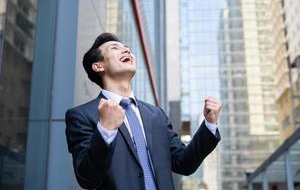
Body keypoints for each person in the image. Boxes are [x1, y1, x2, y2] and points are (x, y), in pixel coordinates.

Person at [65, 32, 221, 190]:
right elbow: (87, 178)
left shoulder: (156, 115)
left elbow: (184, 163)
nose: (126, 51)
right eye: (114, 48)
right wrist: (105, 130)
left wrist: (209, 125)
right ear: (98, 66)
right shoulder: (82, 116)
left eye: (127, 49)